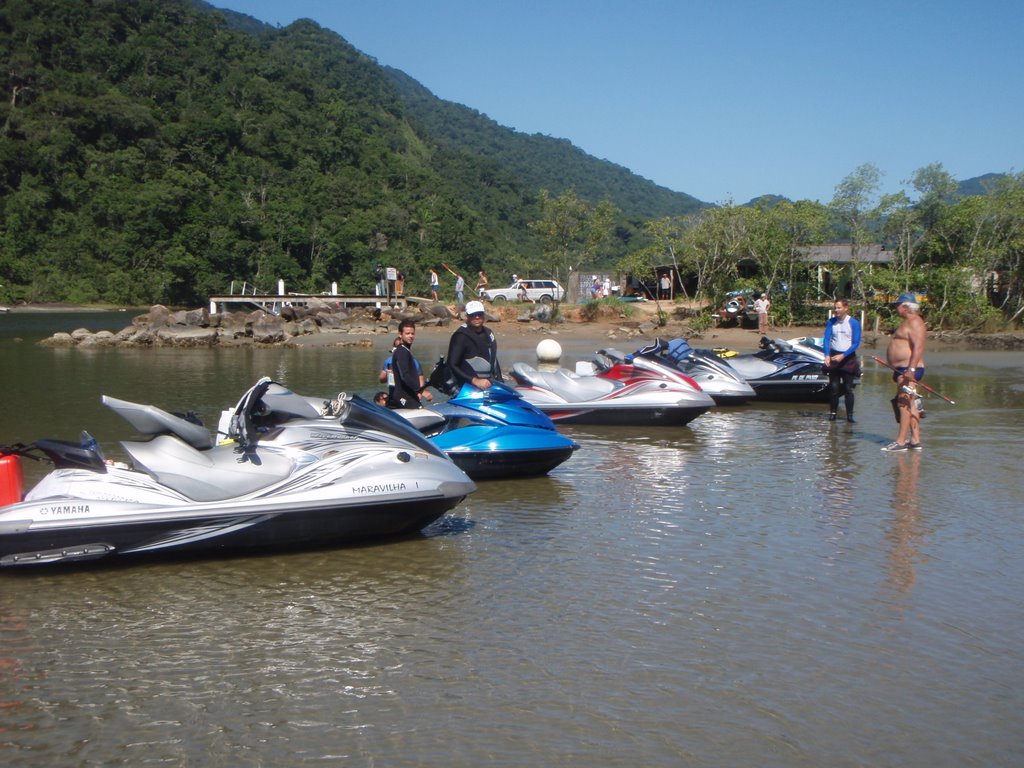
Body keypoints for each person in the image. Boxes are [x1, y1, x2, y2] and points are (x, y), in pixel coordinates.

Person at [883, 292, 927, 452]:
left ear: (906, 306)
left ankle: (901, 442)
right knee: (911, 404)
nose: (896, 308)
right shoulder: (908, 322)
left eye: (898, 305)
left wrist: (911, 369)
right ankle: (915, 440)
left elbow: (919, 347)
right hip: (902, 369)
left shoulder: (915, 322)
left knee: (904, 404)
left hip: (908, 369)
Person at [448, 300, 502, 391]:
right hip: (467, 387)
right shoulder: (461, 336)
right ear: (466, 316)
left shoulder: (489, 333)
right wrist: (474, 381)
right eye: (473, 315)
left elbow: (494, 361)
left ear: (484, 315)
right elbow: (452, 364)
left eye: (479, 314)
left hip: (488, 386)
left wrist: (500, 384)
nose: (477, 317)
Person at [822, 298, 861, 422]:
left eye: (839, 308)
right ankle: (833, 413)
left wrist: (843, 355)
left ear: (846, 308)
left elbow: (856, 343)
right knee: (834, 388)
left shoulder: (853, 323)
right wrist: (827, 355)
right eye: (835, 307)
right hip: (834, 356)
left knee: (848, 388)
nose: (836, 310)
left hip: (848, 357)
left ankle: (850, 416)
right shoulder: (831, 322)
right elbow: (826, 339)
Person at [387, 320, 433, 409]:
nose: (410, 336)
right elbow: (405, 375)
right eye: (407, 333)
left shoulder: (406, 351)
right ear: (400, 334)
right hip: (402, 396)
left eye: (412, 333)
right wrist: (420, 391)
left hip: (409, 394)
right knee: (420, 412)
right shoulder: (401, 352)